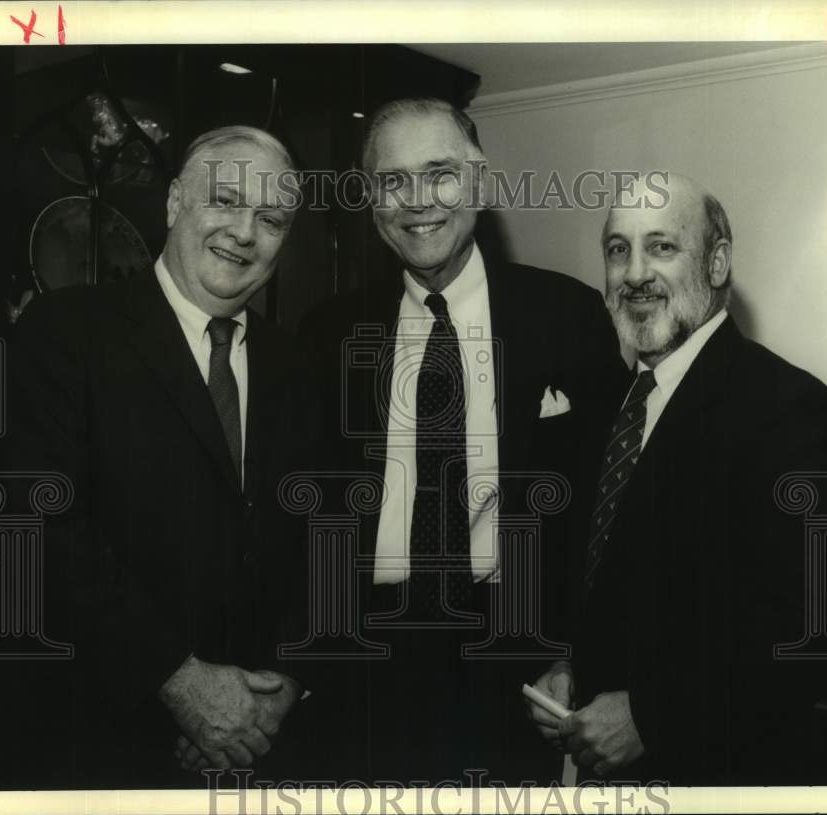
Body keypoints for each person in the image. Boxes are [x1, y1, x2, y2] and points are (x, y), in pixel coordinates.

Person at [297, 98, 628, 786]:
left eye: (440, 173)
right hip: (359, 658)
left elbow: (611, 510)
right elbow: (288, 514)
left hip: (512, 656)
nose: (417, 201)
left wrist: (579, 656)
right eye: (392, 180)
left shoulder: (568, 316)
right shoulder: (325, 332)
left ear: (478, 183)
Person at [0, 126, 308, 788]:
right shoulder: (62, 332)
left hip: (257, 749)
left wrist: (279, 687)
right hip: (91, 745)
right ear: (176, 201)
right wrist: (177, 682)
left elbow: (321, 538)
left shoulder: (298, 365)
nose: (245, 231)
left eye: (271, 218)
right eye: (226, 201)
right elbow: (34, 530)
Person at [527, 172, 827, 785]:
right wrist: (569, 661)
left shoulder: (792, 409)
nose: (634, 274)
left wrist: (651, 717)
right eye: (617, 249)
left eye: (661, 247)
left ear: (716, 264)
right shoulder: (608, 404)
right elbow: (612, 585)